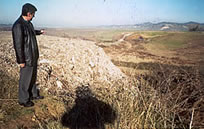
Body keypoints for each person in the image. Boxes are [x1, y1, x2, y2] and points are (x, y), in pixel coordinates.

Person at [12, 3, 44, 107]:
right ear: (28, 13)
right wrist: (21, 61)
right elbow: (18, 45)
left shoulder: (28, 23)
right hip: (26, 58)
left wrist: (39, 32)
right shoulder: (18, 26)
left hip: (33, 56)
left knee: (33, 77)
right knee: (25, 80)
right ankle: (23, 100)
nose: (34, 16)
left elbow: (30, 32)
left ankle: (33, 95)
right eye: (33, 14)